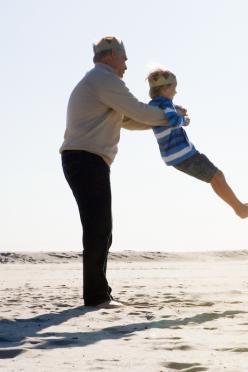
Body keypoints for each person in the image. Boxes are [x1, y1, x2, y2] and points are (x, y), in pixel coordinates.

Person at [60, 36, 177, 308]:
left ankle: (99, 295)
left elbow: (128, 120)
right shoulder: (104, 80)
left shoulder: (100, 82)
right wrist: (173, 117)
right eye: (124, 57)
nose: (126, 63)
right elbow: (139, 111)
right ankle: (97, 298)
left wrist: (163, 120)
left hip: (86, 160)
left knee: (100, 229)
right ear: (111, 55)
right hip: (85, 159)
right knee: (98, 229)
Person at [146, 69, 248, 218]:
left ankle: (238, 206)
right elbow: (174, 120)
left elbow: (166, 114)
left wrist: (176, 109)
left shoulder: (155, 104)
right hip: (183, 155)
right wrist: (184, 120)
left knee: (215, 177)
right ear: (164, 89)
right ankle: (240, 209)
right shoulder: (165, 104)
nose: (175, 91)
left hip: (174, 156)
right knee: (217, 176)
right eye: (173, 87)